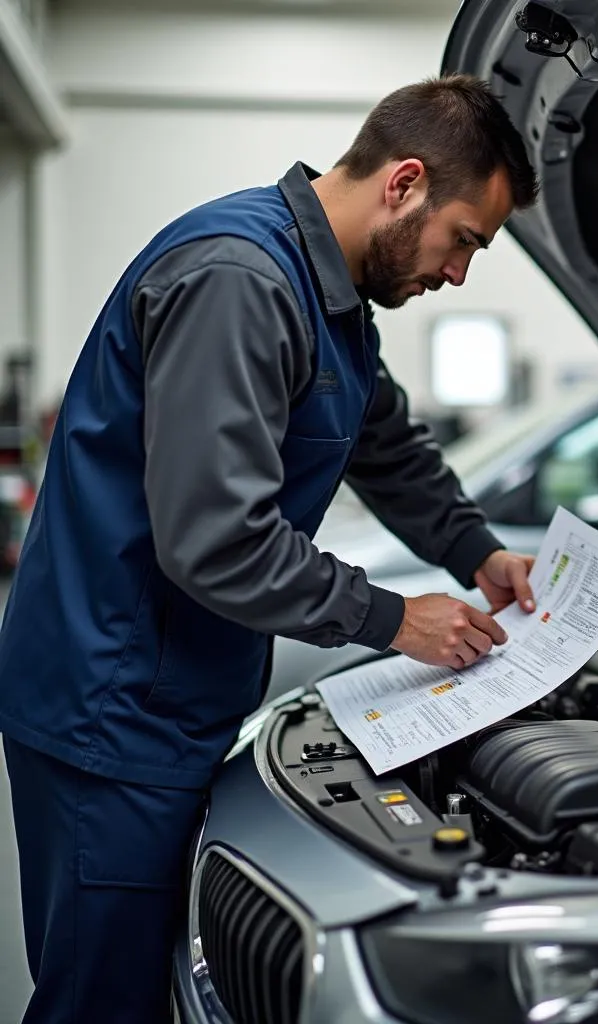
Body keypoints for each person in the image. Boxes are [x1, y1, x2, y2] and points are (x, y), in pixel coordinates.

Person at [0, 74, 540, 1023]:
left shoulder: (332, 302)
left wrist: (478, 553)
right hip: (111, 712)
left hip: (173, 698)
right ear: (405, 182)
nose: (457, 274)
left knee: (161, 985)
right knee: (101, 1002)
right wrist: (393, 619)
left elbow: (387, 446)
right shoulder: (240, 281)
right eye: (466, 241)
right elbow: (217, 540)